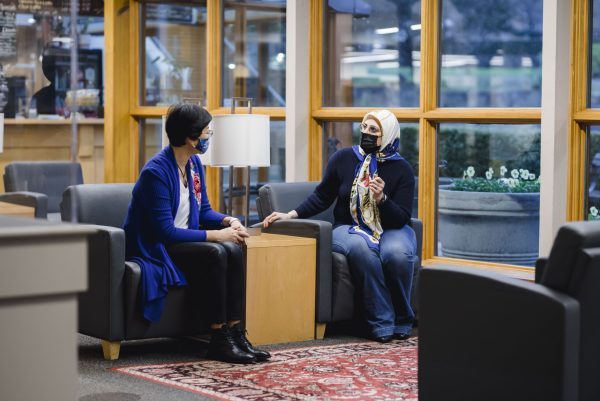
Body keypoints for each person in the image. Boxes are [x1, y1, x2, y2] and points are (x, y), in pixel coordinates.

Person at [124, 103, 270, 364]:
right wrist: (218, 235)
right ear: (190, 137)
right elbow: (166, 232)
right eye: (206, 133)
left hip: (184, 239)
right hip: (157, 246)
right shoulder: (155, 173)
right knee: (216, 251)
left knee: (234, 248)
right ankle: (218, 339)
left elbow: (203, 212)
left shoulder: (194, 165)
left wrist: (228, 220)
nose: (208, 137)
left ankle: (235, 333)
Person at [263, 109, 417, 343]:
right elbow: (322, 196)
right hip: (349, 226)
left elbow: (402, 217)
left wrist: (382, 200)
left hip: (391, 227)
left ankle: (403, 318)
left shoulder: (402, 168)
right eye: (364, 127)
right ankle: (382, 322)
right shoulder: (344, 158)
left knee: (396, 254)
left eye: (374, 130)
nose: (366, 133)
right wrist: (291, 214)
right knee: (363, 249)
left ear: (387, 134)